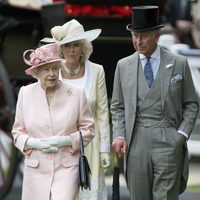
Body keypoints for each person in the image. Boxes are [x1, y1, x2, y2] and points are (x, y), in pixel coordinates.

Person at [111, 5, 199, 200]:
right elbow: (117, 106)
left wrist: (181, 135)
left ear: (157, 36)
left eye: (143, 36)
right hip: (136, 140)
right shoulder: (123, 65)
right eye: (135, 35)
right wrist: (118, 134)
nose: (138, 41)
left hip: (169, 138)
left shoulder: (179, 63)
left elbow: (191, 104)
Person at [11, 43, 95, 200]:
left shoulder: (76, 94)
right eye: (46, 69)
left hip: (67, 168)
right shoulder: (25, 93)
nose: (52, 74)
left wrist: (67, 140)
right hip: (36, 169)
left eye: (55, 68)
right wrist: (34, 143)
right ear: (36, 72)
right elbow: (17, 132)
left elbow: (89, 130)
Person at [50, 19, 111, 200]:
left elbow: (102, 113)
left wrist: (105, 149)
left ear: (83, 47)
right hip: (60, 146)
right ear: (60, 48)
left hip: (89, 147)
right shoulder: (53, 73)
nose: (71, 50)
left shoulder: (97, 70)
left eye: (76, 45)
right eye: (67, 45)